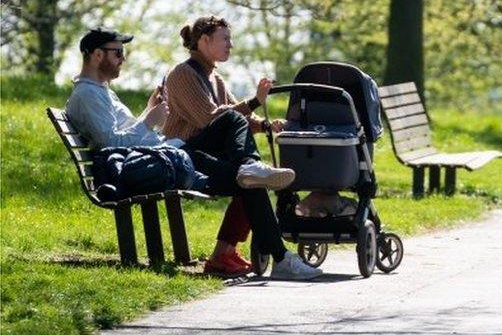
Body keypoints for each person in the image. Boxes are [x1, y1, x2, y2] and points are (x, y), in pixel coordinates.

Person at [65, 27, 322, 280]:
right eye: (118, 53)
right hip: (159, 163)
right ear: (97, 55)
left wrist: (148, 111)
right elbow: (112, 144)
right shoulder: (88, 95)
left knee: (242, 152)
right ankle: (280, 258)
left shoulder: (102, 92)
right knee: (247, 175)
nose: (123, 59)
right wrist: (148, 122)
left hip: (167, 156)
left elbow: (124, 135)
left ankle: (275, 245)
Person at [161, 15, 283, 275]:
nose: (231, 45)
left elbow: (237, 119)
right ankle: (281, 257)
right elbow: (211, 118)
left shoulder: (215, 78)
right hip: (183, 155)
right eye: (225, 39)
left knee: (249, 179)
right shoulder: (182, 74)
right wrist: (254, 101)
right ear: (204, 40)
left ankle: (222, 255)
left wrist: (264, 125)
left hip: (205, 153)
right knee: (248, 174)